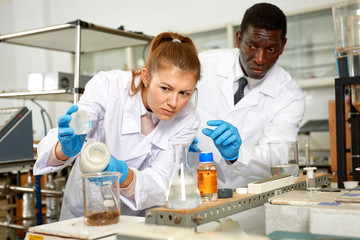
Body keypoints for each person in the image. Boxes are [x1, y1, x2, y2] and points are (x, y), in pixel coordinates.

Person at [34, 32, 201, 220]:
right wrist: (64, 148)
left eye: (185, 93)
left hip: (135, 216)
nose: (174, 102)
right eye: (165, 88)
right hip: (86, 206)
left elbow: (162, 181)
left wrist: (122, 174)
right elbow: (78, 123)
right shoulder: (109, 87)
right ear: (146, 76)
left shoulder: (188, 118)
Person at [192, 3, 305, 188]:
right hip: (195, 190)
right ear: (238, 39)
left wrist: (237, 154)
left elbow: (279, 160)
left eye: (271, 49)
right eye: (251, 45)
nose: (260, 59)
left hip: (248, 202)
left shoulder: (290, 95)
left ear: (283, 45)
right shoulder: (203, 64)